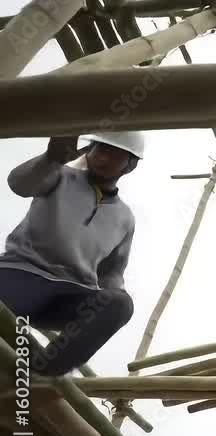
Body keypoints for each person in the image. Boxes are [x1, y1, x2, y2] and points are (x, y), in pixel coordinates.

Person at [0, 132, 144, 377]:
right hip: (22, 276)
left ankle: (46, 371)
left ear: (130, 165)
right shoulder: (59, 176)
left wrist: (110, 305)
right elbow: (19, 184)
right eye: (100, 150)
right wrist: (51, 158)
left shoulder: (125, 218)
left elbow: (112, 272)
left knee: (121, 304)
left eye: (114, 154)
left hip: (71, 293)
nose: (103, 158)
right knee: (5, 314)